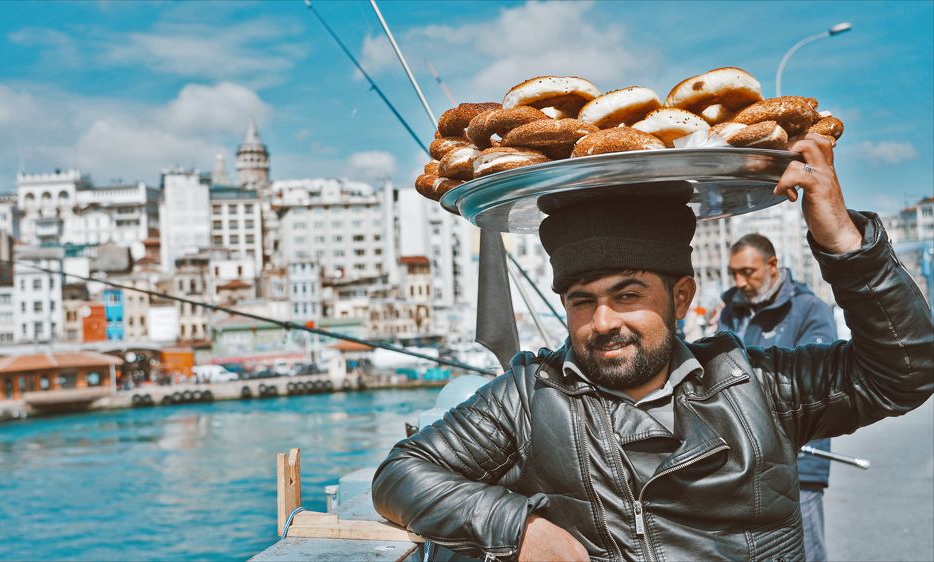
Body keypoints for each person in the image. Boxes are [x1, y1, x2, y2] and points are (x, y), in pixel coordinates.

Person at [371, 133, 934, 561]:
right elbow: (404, 473)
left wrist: (844, 243)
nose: (603, 320)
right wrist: (517, 525)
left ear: (681, 295)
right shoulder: (529, 396)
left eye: (627, 294)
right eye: (581, 300)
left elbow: (904, 372)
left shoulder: (757, 386)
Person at [719, 233, 836, 561]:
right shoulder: (732, 311)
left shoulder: (809, 309)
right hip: (743, 462)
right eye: (734, 273)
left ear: (772, 265)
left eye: (748, 272)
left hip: (799, 460)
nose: (740, 281)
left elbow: (818, 382)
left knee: (806, 552)